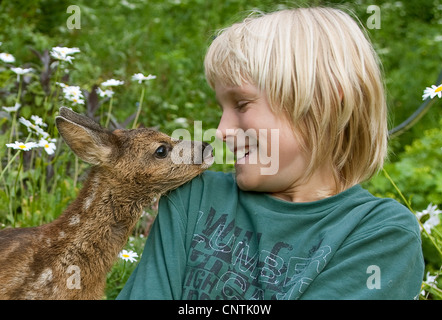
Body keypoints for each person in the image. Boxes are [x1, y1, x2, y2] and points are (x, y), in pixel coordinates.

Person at [117, 6, 424, 300]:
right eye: (221, 108)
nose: (221, 130)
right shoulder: (193, 196)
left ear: (324, 104)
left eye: (241, 104)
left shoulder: (379, 232)